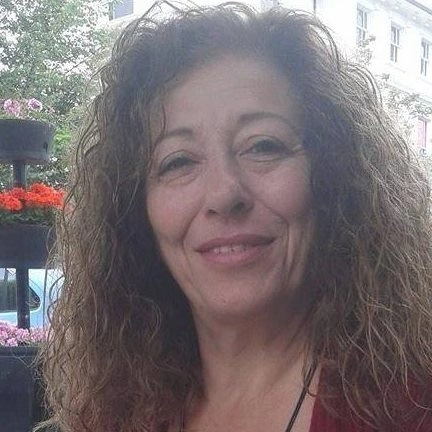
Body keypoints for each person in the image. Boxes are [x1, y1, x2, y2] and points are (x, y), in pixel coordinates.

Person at [41, 3, 432, 432]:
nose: (224, 194)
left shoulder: (413, 407)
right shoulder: (111, 415)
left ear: (336, 176)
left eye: (263, 146)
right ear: (135, 211)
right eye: (178, 162)